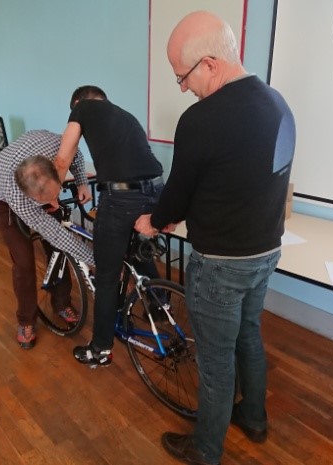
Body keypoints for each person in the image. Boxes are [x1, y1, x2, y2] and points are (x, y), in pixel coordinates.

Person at [134, 11, 296, 465]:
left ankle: (206, 449)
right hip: (267, 252)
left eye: (182, 76)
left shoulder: (201, 119)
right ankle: (255, 418)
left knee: (215, 359)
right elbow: (251, 181)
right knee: (249, 334)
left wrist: (154, 220)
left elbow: (178, 194)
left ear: (209, 63)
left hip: (222, 263)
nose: (183, 87)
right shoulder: (278, 103)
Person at [54, 85, 164, 367]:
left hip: (122, 198)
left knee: (106, 276)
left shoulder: (82, 108)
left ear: (78, 102)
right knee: (137, 250)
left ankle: (100, 349)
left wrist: (50, 194)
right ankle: (160, 303)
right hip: (156, 191)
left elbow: (63, 158)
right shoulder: (125, 116)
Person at [0, 129, 94, 350]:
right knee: (24, 262)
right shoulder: (16, 194)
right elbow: (56, 234)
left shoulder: (56, 149)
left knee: (57, 251)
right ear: (30, 197)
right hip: (1, 199)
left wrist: (82, 182)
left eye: (56, 193)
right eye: (46, 200)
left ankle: (61, 303)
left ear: (55, 168)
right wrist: (93, 259)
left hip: (35, 181)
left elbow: (76, 154)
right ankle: (26, 320)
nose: (54, 203)